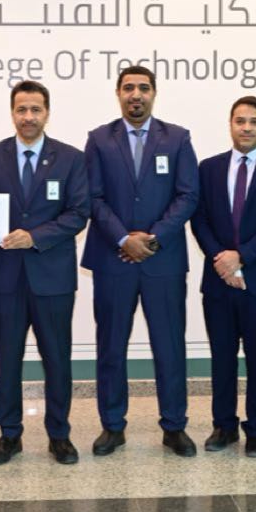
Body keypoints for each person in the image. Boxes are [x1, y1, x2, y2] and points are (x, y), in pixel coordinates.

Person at [82, 65, 200, 457]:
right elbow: (92, 197)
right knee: (111, 348)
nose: (136, 94)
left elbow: (188, 195)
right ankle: (112, 426)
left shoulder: (178, 138)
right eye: (129, 87)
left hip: (162, 261)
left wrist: (152, 237)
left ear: (154, 93)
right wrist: (122, 238)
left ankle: (174, 426)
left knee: (169, 347)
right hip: (113, 259)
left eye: (144, 88)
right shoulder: (99, 139)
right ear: (118, 93)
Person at [0, 81, 89, 465]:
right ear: (12, 113)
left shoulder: (71, 158)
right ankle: (9, 434)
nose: (28, 117)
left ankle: (59, 434)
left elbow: (79, 213)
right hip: (6, 279)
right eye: (21, 109)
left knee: (57, 359)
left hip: (53, 279)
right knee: (7, 359)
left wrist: (35, 237)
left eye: (35, 110)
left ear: (47, 113)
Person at [190, 96, 256, 457]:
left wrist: (242, 258)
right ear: (230, 124)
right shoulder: (208, 168)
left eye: (254, 121)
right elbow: (199, 219)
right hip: (218, 282)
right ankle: (223, 426)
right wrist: (222, 261)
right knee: (221, 358)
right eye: (240, 121)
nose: (247, 128)